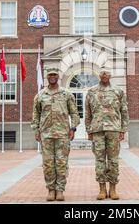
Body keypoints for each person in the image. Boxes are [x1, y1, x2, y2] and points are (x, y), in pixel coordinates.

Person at [31, 67, 80, 201]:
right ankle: (51, 190)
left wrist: (73, 128)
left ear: (58, 77)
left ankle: (60, 190)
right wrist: (36, 130)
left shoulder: (67, 94)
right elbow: (36, 115)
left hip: (63, 135)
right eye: (50, 75)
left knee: (61, 163)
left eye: (54, 75)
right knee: (48, 164)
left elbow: (75, 113)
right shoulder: (40, 95)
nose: (52, 77)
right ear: (47, 77)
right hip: (46, 135)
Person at [85, 68, 129, 200]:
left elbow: (124, 111)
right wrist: (88, 130)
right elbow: (87, 112)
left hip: (114, 130)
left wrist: (123, 129)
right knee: (99, 161)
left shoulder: (118, 91)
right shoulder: (91, 92)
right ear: (99, 75)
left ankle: (113, 189)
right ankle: (102, 189)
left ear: (110, 75)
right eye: (102, 73)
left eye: (107, 73)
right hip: (97, 130)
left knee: (113, 160)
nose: (105, 75)